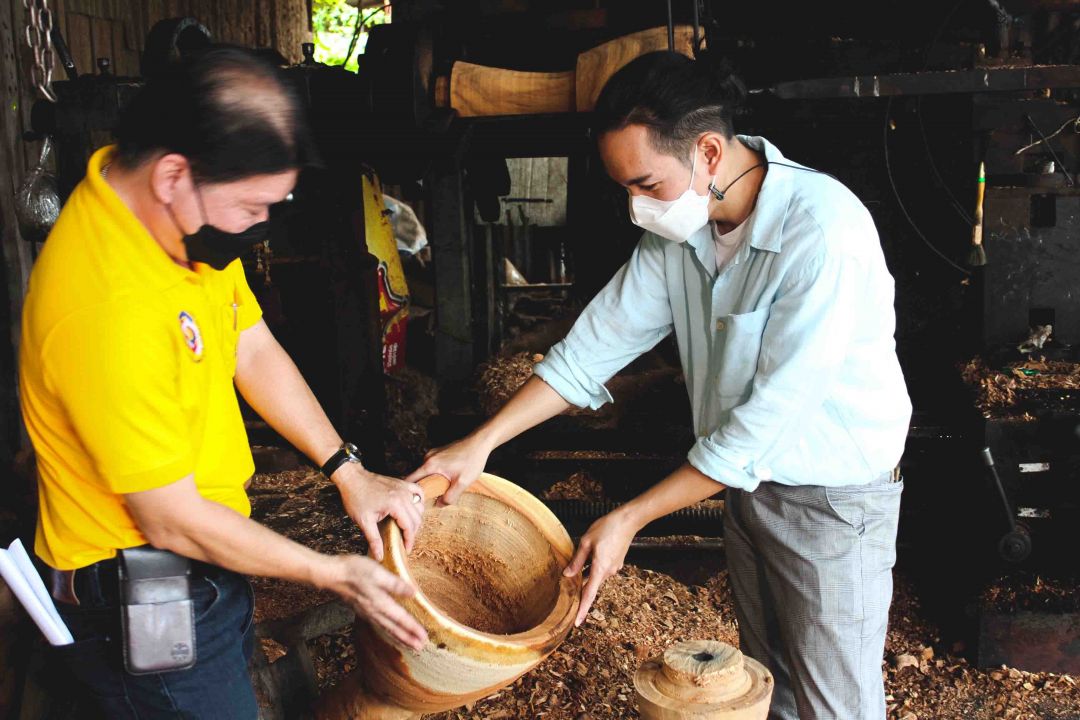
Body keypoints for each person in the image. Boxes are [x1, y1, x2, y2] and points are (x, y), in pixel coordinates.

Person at [407, 51, 912, 720]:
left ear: (708, 151)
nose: (636, 206)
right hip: (746, 490)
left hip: (831, 503)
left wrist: (629, 517)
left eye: (646, 183)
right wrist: (481, 443)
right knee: (770, 689)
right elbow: (591, 350)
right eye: (625, 188)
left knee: (837, 705)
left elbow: (761, 427)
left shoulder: (822, 233)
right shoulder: (684, 229)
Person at [19, 46, 426, 719]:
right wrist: (332, 572)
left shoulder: (178, 228)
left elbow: (251, 346)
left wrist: (346, 471)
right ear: (174, 174)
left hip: (205, 558)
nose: (259, 225)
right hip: (144, 593)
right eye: (250, 207)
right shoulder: (103, 307)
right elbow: (171, 519)